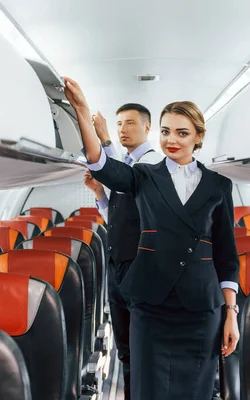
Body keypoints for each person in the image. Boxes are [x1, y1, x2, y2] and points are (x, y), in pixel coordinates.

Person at [64, 76, 240, 400]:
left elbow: (227, 258)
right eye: (165, 131)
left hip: (200, 309)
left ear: (198, 137)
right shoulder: (145, 176)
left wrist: (231, 313)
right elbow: (100, 164)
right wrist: (81, 110)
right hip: (151, 307)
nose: (171, 140)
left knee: (195, 392)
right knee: (147, 389)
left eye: (182, 133)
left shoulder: (219, 186)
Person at [83, 104, 163, 400]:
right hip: (118, 269)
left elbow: (119, 174)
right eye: (118, 124)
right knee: (127, 352)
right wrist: (100, 196)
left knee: (142, 352)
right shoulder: (128, 163)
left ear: (147, 127)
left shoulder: (152, 165)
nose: (122, 129)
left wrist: (104, 141)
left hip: (141, 270)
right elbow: (119, 219)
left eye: (130, 123)